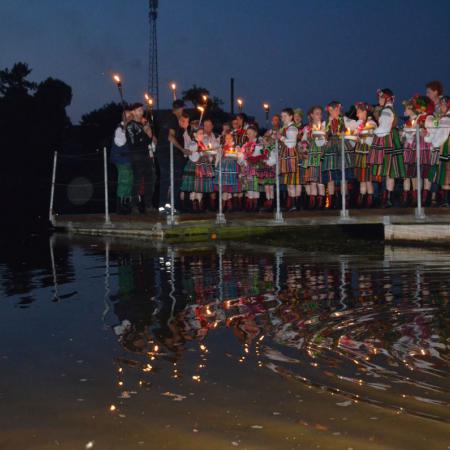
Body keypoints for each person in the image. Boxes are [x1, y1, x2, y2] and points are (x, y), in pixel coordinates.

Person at [369, 89, 405, 208]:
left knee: (388, 170)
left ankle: (387, 199)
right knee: (390, 171)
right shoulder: (387, 109)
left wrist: (373, 132)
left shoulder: (386, 110)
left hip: (387, 139)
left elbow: (383, 128)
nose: (379, 100)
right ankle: (387, 197)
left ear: (386, 98)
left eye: (380, 97)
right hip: (391, 138)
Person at [401, 95, 434, 206]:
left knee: (425, 173)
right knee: (415, 172)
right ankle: (416, 198)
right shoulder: (419, 117)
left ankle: (425, 198)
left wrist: (426, 132)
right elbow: (414, 130)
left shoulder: (430, 117)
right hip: (416, 145)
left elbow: (432, 130)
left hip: (425, 146)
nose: (418, 108)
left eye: (419, 106)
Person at [345, 102, 377, 207]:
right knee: (362, 179)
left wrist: (358, 138)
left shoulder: (371, 123)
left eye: (359, 112)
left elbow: (369, 140)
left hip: (367, 153)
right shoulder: (361, 124)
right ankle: (362, 200)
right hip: (360, 153)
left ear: (364, 112)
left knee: (367, 179)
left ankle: (370, 201)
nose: (357, 115)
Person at [126, 103, 156, 214]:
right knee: (137, 181)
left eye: (141, 110)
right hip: (136, 156)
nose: (141, 112)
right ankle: (134, 206)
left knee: (151, 179)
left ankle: (148, 205)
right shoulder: (130, 125)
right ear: (133, 112)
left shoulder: (142, 124)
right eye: (138, 110)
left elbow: (148, 142)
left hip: (145, 155)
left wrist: (149, 133)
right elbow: (133, 143)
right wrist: (144, 132)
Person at [159, 99, 188, 212]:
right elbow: (170, 137)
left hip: (164, 152)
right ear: (180, 109)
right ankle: (168, 206)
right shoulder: (173, 119)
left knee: (167, 180)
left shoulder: (166, 117)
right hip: (167, 153)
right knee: (173, 179)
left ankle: (165, 206)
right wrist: (182, 149)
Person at [301, 106, 326, 209]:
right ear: (311, 115)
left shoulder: (323, 127)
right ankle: (313, 203)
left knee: (320, 181)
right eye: (316, 113)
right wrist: (304, 149)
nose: (319, 115)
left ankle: (321, 204)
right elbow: (303, 141)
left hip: (320, 155)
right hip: (310, 156)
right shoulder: (307, 128)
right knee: (312, 180)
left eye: (320, 113)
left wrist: (320, 137)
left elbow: (324, 142)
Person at [427, 96, 450, 206]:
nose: (440, 107)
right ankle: (445, 200)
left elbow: (442, 136)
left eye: (442, 105)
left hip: (446, 147)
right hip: (445, 146)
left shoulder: (446, 119)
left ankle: (445, 201)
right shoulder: (444, 117)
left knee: (445, 172)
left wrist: (434, 144)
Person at [111, 105, 134, 214]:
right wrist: (126, 123)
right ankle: (120, 206)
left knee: (130, 182)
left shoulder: (129, 129)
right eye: (129, 116)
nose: (131, 118)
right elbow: (120, 142)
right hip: (121, 159)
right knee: (124, 181)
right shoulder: (119, 128)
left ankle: (126, 204)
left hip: (128, 160)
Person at [322, 101, 344, 208]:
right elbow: (324, 135)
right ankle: (330, 202)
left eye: (338, 110)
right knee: (330, 177)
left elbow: (346, 131)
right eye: (336, 110)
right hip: (329, 149)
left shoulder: (343, 121)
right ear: (330, 110)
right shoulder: (326, 122)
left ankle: (341, 200)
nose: (338, 112)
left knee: (340, 176)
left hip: (339, 148)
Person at [278, 108, 300, 211]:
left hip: (290, 156)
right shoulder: (287, 128)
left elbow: (291, 144)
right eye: (282, 116)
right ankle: (292, 204)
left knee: (292, 181)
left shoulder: (292, 128)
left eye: (284, 116)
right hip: (287, 155)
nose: (282, 119)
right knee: (289, 182)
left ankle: (294, 204)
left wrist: (280, 137)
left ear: (291, 116)